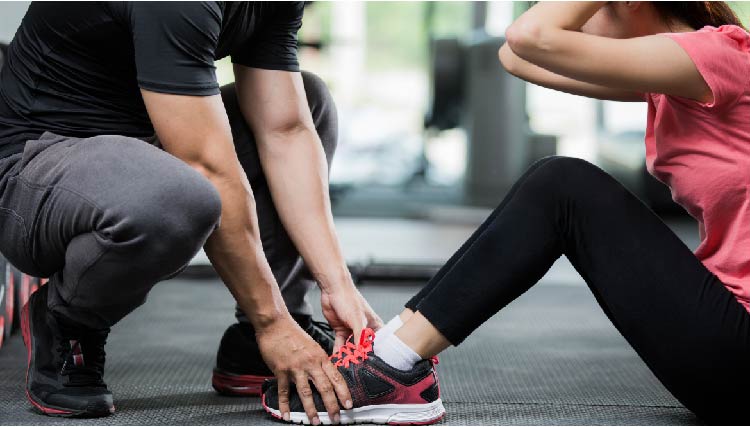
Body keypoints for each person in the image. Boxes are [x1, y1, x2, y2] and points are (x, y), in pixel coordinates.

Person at [263, 1, 750, 424]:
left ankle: (393, 364)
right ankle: (392, 351)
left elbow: (529, 37)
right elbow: (516, 55)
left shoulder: (721, 55)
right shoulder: (672, 81)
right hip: (725, 345)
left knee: (564, 186)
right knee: (560, 184)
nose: (573, 27)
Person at [0, 2, 382, 420]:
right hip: (32, 171)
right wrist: (270, 322)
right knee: (177, 195)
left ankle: (267, 339)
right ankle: (67, 320)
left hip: (145, 146)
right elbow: (206, 167)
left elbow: (284, 131)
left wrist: (338, 285)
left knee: (308, 101)